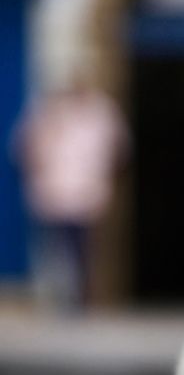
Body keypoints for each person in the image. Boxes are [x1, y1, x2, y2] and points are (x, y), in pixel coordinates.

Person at [16, 81, 129, 308]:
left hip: (87, 193)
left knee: (82, 247)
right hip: (53, 192)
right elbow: (25, 147)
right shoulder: (48, 110)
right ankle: (60, 295)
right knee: (56, 247)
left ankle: (80, 296)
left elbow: (119, 150)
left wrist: (105, 177)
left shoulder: (102, 111)